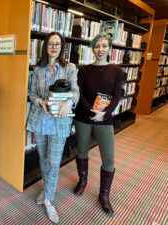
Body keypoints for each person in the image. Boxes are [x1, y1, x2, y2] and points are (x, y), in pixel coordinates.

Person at [26, 32, 79, 224]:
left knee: (54, 163)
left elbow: (76, 91)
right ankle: (47, 190)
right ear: (45, 46)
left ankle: (48, 199)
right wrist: (40, 102)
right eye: (50, 43)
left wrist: (68, 101)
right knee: (43, 158)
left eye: (57, 43)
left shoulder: (70, 68)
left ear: (62, 46)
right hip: (42, 119)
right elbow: (31, 93)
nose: (54, 46)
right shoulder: (38, 69)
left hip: (60, 121)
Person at [73, 32, 122, 216]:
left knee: (108, 158)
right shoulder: (84, 70)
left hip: (105, 119)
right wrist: (93, 111)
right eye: (97, 46)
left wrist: (104, 113)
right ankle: (82, 182)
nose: (100, 49)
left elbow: (117, 95)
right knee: (82, 151)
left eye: (104, 46)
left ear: (109, 48)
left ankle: (104, 195)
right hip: (83, 117)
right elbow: (80, 94)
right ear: (92, 49)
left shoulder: (116, 70)